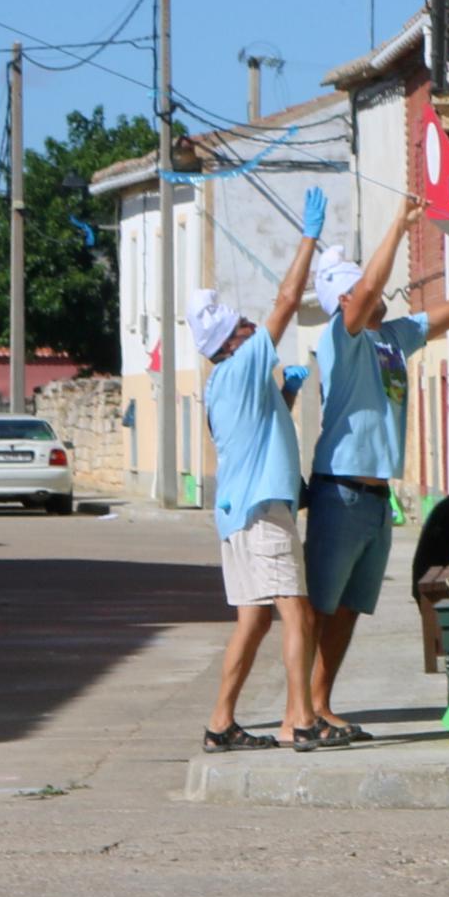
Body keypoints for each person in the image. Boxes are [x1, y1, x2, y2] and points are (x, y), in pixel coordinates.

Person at [296, 189, 449, 740]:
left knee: (348, 610)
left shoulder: (392, 340)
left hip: (375, 499)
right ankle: (298, 712)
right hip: (338, 492)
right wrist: (399, 223)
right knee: (319, 608)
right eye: (359, 294)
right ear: (343, 301)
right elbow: (367, 288)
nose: (376, 297)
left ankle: (322, 704)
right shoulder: (339, 340)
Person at [194, 195, 328, 753]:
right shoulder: (246, 361)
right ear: (231, 341)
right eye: (245, 326)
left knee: (253, 621)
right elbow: (290, 298)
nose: (255, 328)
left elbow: (254, 433)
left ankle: (220, 723)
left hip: (235, 515)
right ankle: (298, 718)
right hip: (265, 510)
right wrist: (308, 238)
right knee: (297, 610)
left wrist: (286, 397)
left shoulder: (222, 385)